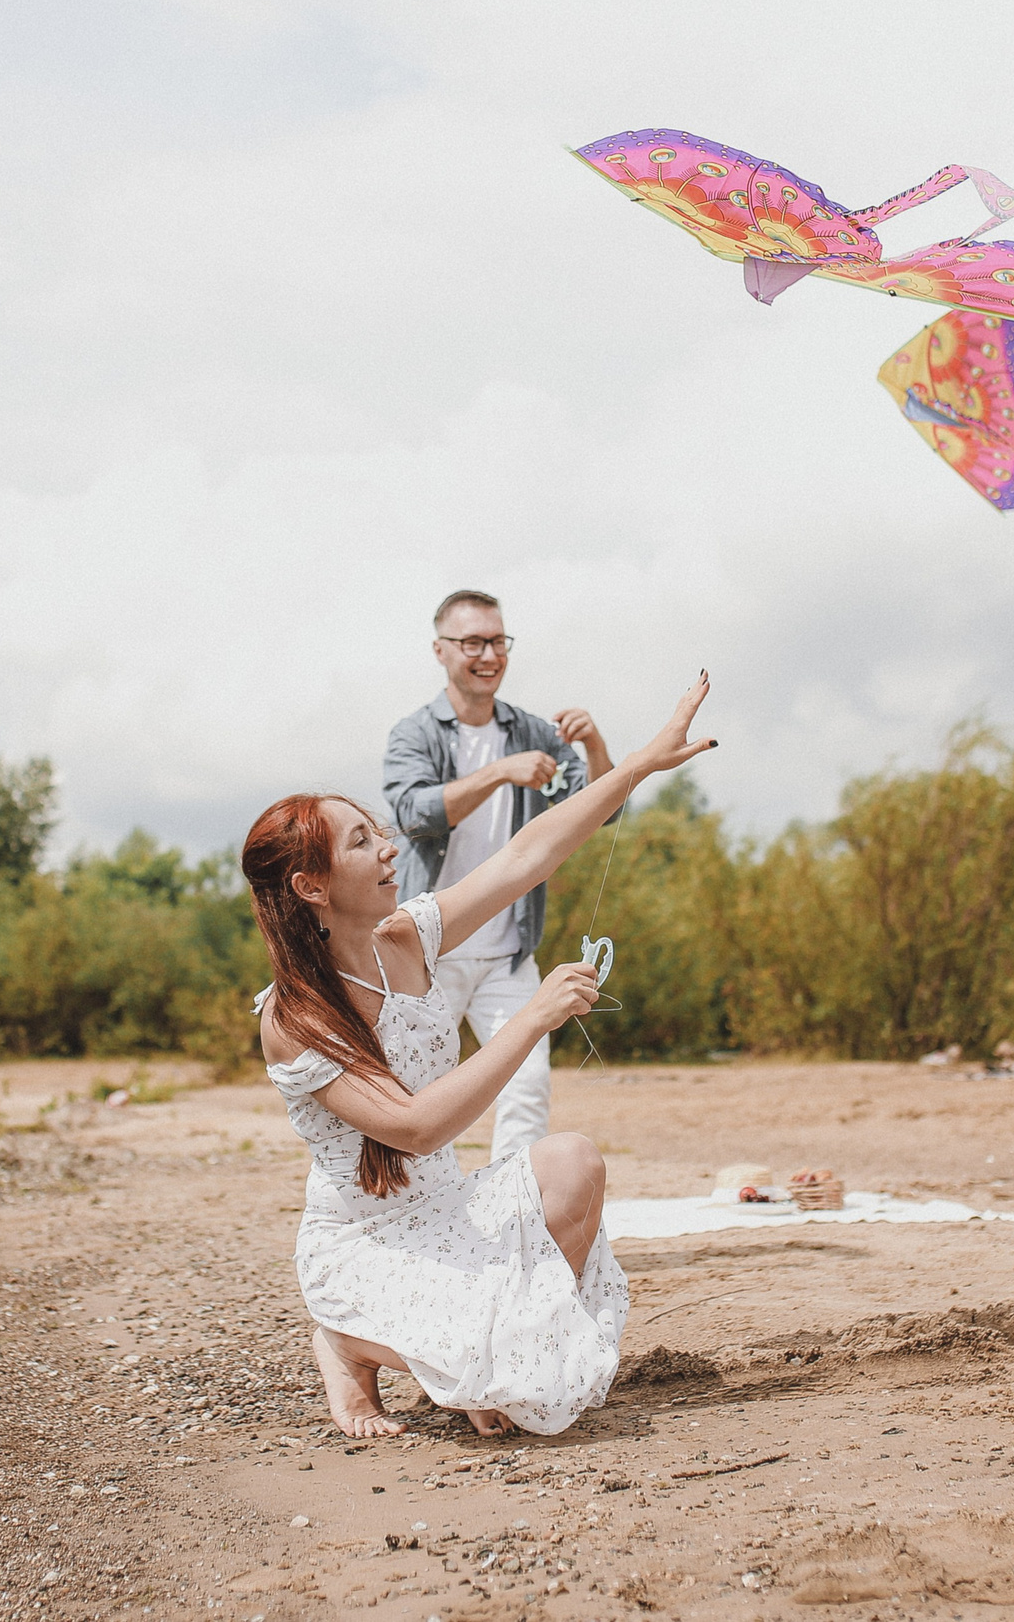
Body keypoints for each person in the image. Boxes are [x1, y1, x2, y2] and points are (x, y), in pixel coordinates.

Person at [251, 674, 717, 1440]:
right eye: (362, 841)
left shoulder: (407, 934)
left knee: (573, 1161)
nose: (389, 847)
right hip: (366, 1245)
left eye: (378, 830)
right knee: (502, 1383)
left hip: (448, 1212)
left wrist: (637, 763)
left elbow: (524, 858)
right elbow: (415, 1128)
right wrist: (531, 1018)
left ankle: (475, 1355)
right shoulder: (294, 1014)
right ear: (311, 885)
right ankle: (344, 1338)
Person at [383, 591, 616, 1163]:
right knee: (419, 1091)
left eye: (497, 641)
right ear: (441, 651)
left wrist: (593, 744)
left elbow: (605, 807)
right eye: (472, 643)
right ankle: (427, 1215)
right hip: (428, 950)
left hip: (509, 952)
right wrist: (498, 774)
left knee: (527, 1083)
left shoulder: (533, 731)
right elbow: (413, 813)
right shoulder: (413, 734)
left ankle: (515, 1216)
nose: (488, 654)